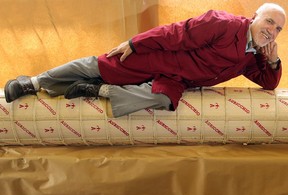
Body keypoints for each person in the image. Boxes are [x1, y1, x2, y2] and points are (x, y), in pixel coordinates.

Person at [4, 3, 286, 118]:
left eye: (278, 29)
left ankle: (96, 91)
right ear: (254, 18)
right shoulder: (223, 23)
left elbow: (268, 84)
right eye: (269, 22)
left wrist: (272, 63)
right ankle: (32, 82)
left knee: (165, 101)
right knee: (100, 65)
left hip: (177, 80)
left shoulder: (254, 56)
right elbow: (177, 33)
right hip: (161, 58)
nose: (271, 31)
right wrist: (135, 43)